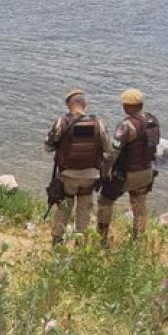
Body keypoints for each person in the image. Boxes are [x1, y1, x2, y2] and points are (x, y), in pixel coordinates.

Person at [44, 89, 116, 246]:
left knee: (64, 209)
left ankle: (57, 244)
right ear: (84, 103)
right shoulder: (98, 123)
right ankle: (80, 246)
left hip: (67, 176)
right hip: (90, 177)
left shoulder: (62, 122)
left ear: (69, 105)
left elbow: (48, 147)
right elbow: (109, 150)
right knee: (84, 212)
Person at [96, 88, 162, 245]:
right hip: (147, 171)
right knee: (139, 204)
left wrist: (104, 172)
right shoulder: (152, 121)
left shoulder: (126, 126)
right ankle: (138, 240)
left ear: (127, 106)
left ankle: (102, 239)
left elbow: (113, 153)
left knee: (105, 202)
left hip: (126, 174)